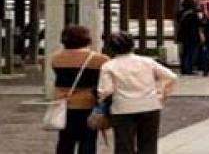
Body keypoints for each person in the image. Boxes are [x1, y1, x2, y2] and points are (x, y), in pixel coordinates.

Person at [98, 32, 177, 154]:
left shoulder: (109, 66)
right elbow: (171, 77)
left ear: (111, 48)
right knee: (148, 143)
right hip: (150, 105)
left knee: (124, 144)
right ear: (132, 46)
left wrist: (100, 99)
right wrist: (161, 94)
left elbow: (106, 90)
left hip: (122, 108)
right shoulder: (147, 62)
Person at [51, 26, 110, 154]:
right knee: (88, 140)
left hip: (64, 104)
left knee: (65, 140)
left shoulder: (56, 58)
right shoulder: (100, 59)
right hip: (88, 104)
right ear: (87, 39)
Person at [174, 0, 204, 76]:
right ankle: (189, 68)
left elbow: (177, 23)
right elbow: (199, 24)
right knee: (191, 52)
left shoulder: (180, 13)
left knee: (184, 52)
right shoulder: (194, 14)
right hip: (193, 35)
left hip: (182, 34)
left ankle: (184, 68)